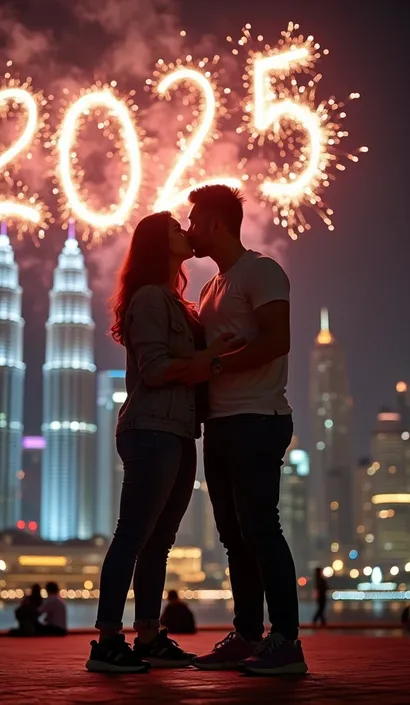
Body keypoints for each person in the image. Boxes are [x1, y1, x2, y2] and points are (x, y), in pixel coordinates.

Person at [86, 211, 240, 674]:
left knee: (158, 543)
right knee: (133, 535)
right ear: (159, 245)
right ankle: (108, 642)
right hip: (151, 429)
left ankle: (148, 636)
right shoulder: (152, 298)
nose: (186, 231)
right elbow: (153, 370)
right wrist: (211, 355)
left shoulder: (174, 299)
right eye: (176, 228)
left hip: (176, 430)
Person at [179, 184, 307, 675]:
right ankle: (249, 633)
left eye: (194, 220)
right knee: (233, 535)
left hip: (259, 417)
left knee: (260, 527)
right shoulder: (212, 287)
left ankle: (287, 642)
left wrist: (211, 364)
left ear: (213, 222)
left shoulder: (261, 271)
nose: (190, 230)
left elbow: (278, 340)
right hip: (222, 423)